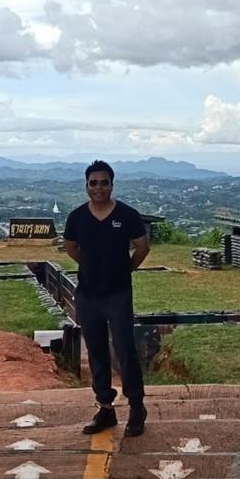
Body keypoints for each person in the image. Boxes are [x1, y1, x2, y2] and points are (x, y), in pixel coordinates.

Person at [64, 160, 150, 437]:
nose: (99, 187)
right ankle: (105, 408)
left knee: (125, 351)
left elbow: (142, 247)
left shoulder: (126, 215)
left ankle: (136, 407)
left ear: (112, 184)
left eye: (104, 182)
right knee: (97, 353)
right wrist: (91, 266)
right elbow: (71, 248)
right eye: (93, 182)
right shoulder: (77, 217)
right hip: (88, 295)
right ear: (86, 185)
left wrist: (126, 268)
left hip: (118, 294)